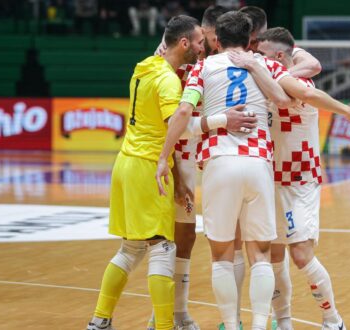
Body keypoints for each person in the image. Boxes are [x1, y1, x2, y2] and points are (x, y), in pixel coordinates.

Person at [156, 11, 294, 330]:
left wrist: (165, 156)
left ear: (216, 39)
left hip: (219, 162)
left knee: (221, 255)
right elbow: (285, 98)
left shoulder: (203, 68)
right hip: (258, 162)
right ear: (250, 40)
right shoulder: (266, 65)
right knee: (259, 252)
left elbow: (183, 111)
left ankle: (231, 326)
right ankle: (260, 325)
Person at [228, 27, 350, 330]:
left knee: (301, 255)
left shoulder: (292, 80)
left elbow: (308, 90)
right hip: (271, 178)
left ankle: (333, 319)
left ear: (278, 57)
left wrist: (347, 111)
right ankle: (285, 322)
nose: (257, 58)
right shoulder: (266, 79)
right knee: (275, 255)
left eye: (263, 54)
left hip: (300, 178)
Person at [85, 15, 205, 330]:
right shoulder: (167, 80)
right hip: (148, 167)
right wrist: (179, 181)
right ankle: (165, 326)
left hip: (124, 162)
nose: (201, 48)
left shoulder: (143, 66)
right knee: (164, 247)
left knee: (131, 248)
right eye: (198, 42)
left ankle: (100, 320)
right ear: (183, 43)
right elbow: (173, 133)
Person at [147, 5, 233, 330]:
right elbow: (176, 118)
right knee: (163, 238)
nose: (209, 46)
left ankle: (175, 312)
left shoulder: (204, 58)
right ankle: (165, 314)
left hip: (191, 150)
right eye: (209, 40)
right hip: (171, 150)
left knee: (186, 237)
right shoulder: (171, 61)